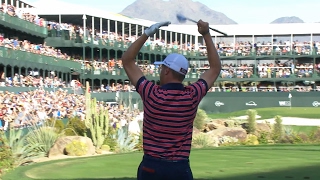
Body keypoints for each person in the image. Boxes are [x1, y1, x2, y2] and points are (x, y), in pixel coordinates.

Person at [122, 20, 221, 180]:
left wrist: (147, 34)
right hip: (179, 169)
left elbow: (127, 60)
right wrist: (206, 34)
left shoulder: (151, 93)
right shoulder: (191, 96)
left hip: (151, 167)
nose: (161, 71)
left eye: (162, 68)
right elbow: (215, 68)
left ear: (167, 71)